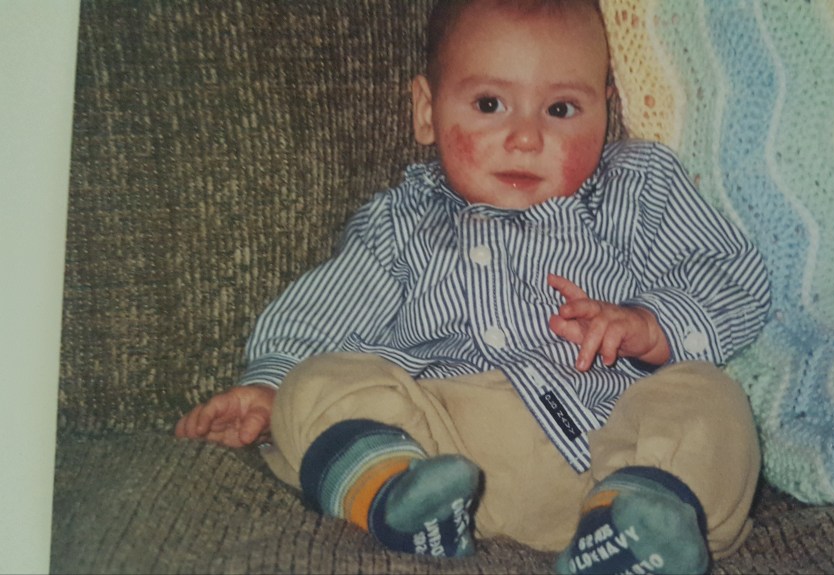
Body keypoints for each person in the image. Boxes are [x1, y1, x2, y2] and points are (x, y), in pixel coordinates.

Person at [175, 1, 771, 573]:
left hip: (614, 442)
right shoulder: (401, 225)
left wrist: (650, 322)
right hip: (445, 449)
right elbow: (321, 316)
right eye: (490, 103)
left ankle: (639, 526)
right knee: (314, 383)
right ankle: (398, 498)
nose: (526, 138)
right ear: (427, 111)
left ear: (605, 111)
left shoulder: (639, 191)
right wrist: (268, 386)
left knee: (710, 397)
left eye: (561, 109)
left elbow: (731, 273)